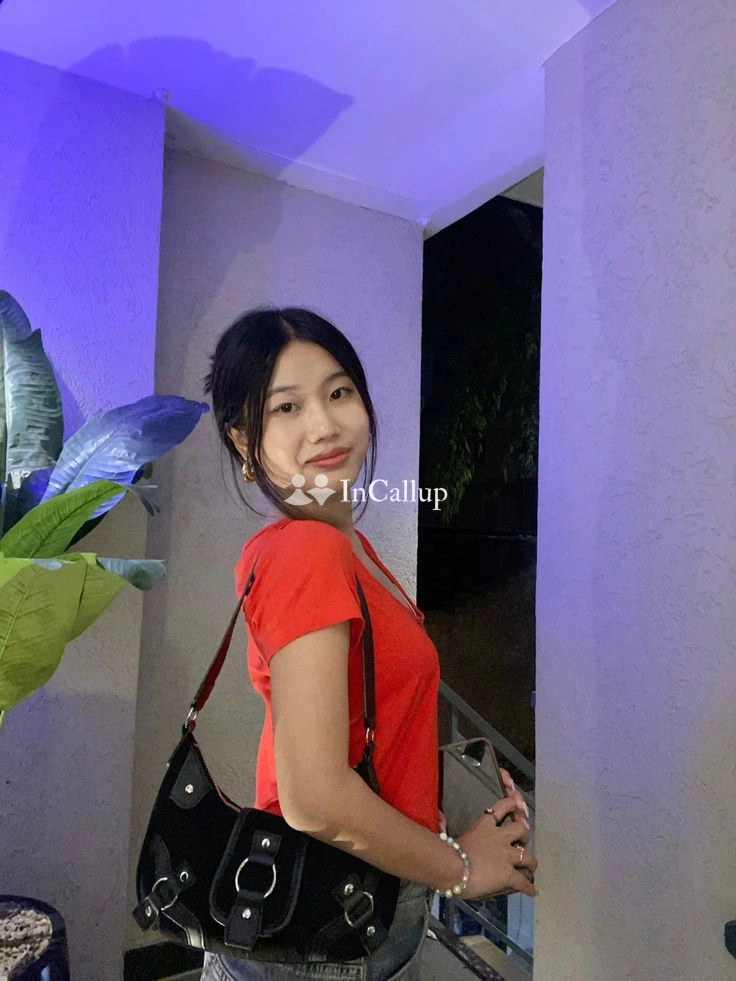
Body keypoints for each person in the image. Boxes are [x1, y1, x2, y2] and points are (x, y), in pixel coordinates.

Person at [201, 307, 538, 981]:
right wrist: (462, 868)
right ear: (244, 441)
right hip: (324, 921)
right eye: (287, 407)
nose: (324, 424)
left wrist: (448, 787)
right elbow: (314, 796)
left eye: (339, 392)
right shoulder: (307, 552)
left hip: (361, 901)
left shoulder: (349, 548)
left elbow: (363, 729)